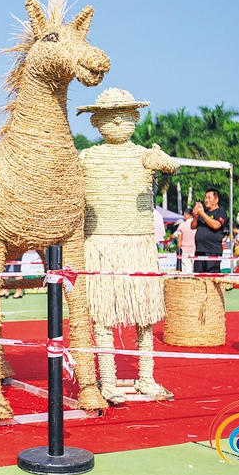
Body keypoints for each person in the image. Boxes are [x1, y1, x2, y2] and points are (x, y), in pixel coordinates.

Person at [76, 87, 178, 402]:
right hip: (100, 244)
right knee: (103, 314)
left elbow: (171, 165)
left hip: (139, 244)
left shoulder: (144, 155)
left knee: (145, 313)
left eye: (124, 115)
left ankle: (146, 377)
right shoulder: (87, 157)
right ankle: (107, 381)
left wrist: (162, 159)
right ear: (96, 121)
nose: (118, 121)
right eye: (110, 116)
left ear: (135, 117)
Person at [191, 189, 227, 273]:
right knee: (198, 278)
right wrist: (196, 216)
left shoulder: (221, 211)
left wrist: (202, 213)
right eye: (205, 198)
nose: (206, 200)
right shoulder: (203, 213)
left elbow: (216, 225)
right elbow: (192, 226)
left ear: (216, 199)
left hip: (212, 251)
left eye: (209, 198)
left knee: (212, 277)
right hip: (199, 250)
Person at [175, 208, 196, 273]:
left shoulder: (181, 226)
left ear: (187, 215)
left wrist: (179, 248)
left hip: (185, 250)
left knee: (187, 270)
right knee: (195, 269)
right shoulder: (196, 225)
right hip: (195, 250)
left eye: (184, 215)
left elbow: (179, 240)